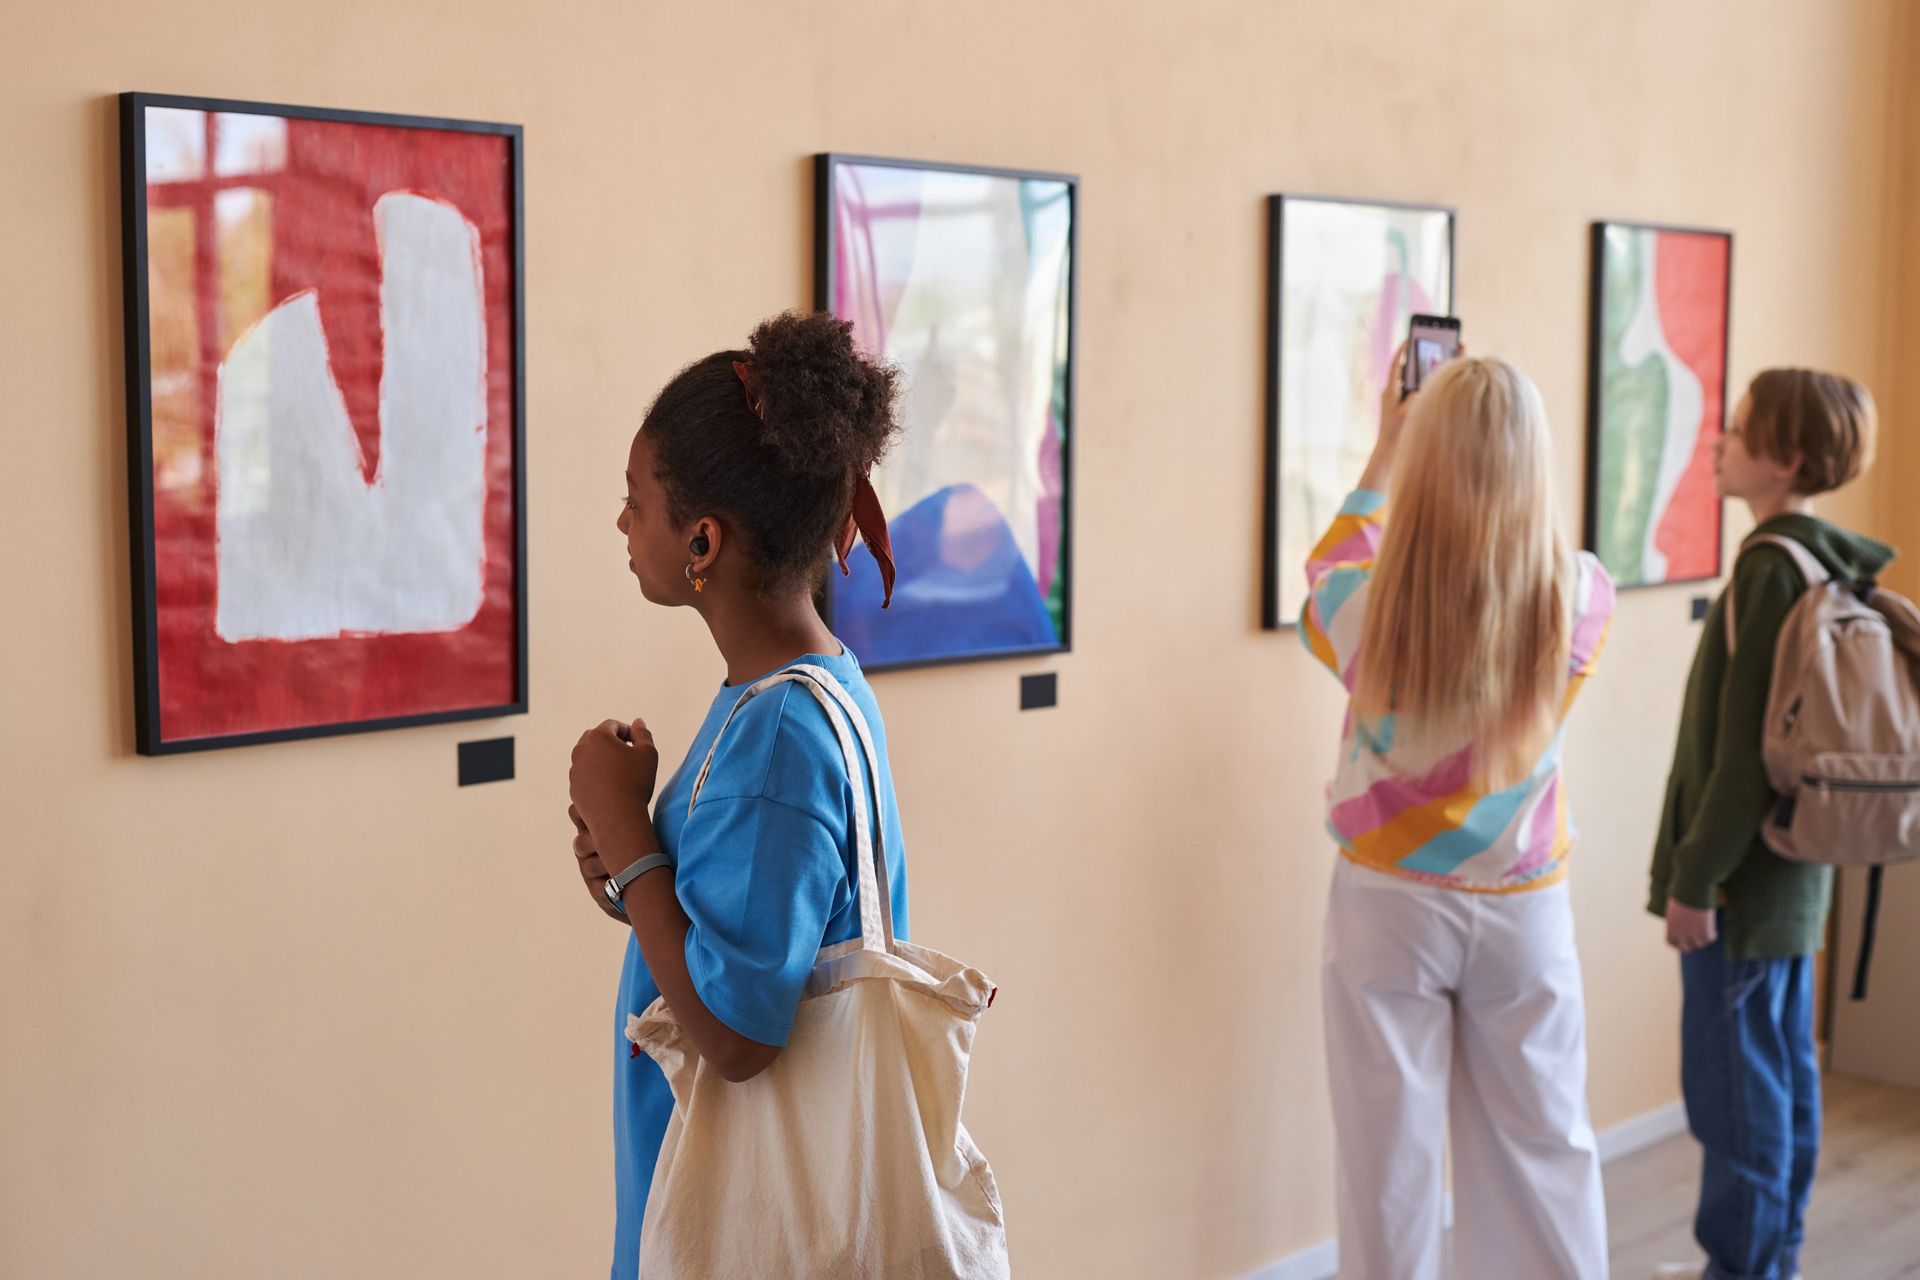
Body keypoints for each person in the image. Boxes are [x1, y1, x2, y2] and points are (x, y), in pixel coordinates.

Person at [564, 311, 910, 1279]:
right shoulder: (803, 688)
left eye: (637, 501)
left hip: (743, 1214)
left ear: (702, 539)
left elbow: (737, 1031)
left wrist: (631, 839)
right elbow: (742, 925)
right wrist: (634, 868)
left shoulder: (778, 733)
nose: (624, 522)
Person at [1303, 348, 1615, 1279]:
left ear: (1426, 459)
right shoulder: (1583, 595)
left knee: (1385, 1169)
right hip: (1524, 903)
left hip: (1388, 905)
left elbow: (1328, 565)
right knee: (1547, 1154)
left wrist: (1387, 446)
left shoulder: (1359, 603)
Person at [1648, 369, 1887, 1280]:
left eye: (1738, 431)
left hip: (1739, 890)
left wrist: (1692, 881)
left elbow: (1743, 762)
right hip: (1795, 878)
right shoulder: (1826, 560)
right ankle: (1769, 1262)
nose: (1719, 441)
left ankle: (1741, 1270)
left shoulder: (1766, 568)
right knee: (1783, 1084)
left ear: (1784, 458)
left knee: (1734, 1101)